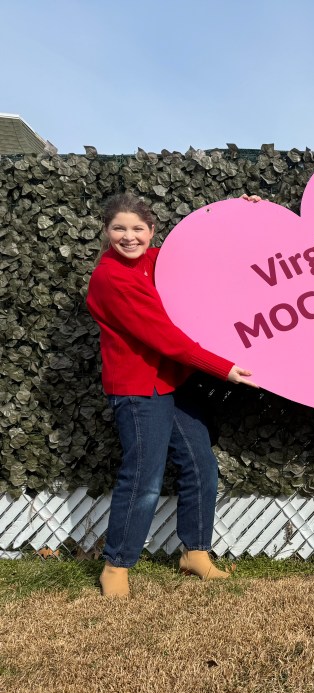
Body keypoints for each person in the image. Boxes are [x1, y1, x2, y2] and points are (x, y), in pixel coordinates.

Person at [86, 193, 260, 597]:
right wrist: (225, 369)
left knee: (201, 465)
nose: (128, 237)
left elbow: (201, 251)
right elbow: (165, 338)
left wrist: (241, 211)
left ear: (151, 231)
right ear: (106, 231)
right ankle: (116, 566)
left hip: (172, 383)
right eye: (118, 229)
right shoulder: (112, 278)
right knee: (144, 477)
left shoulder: (154, 260)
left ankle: (194, 554)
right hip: (138, 388)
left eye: (137, 229)